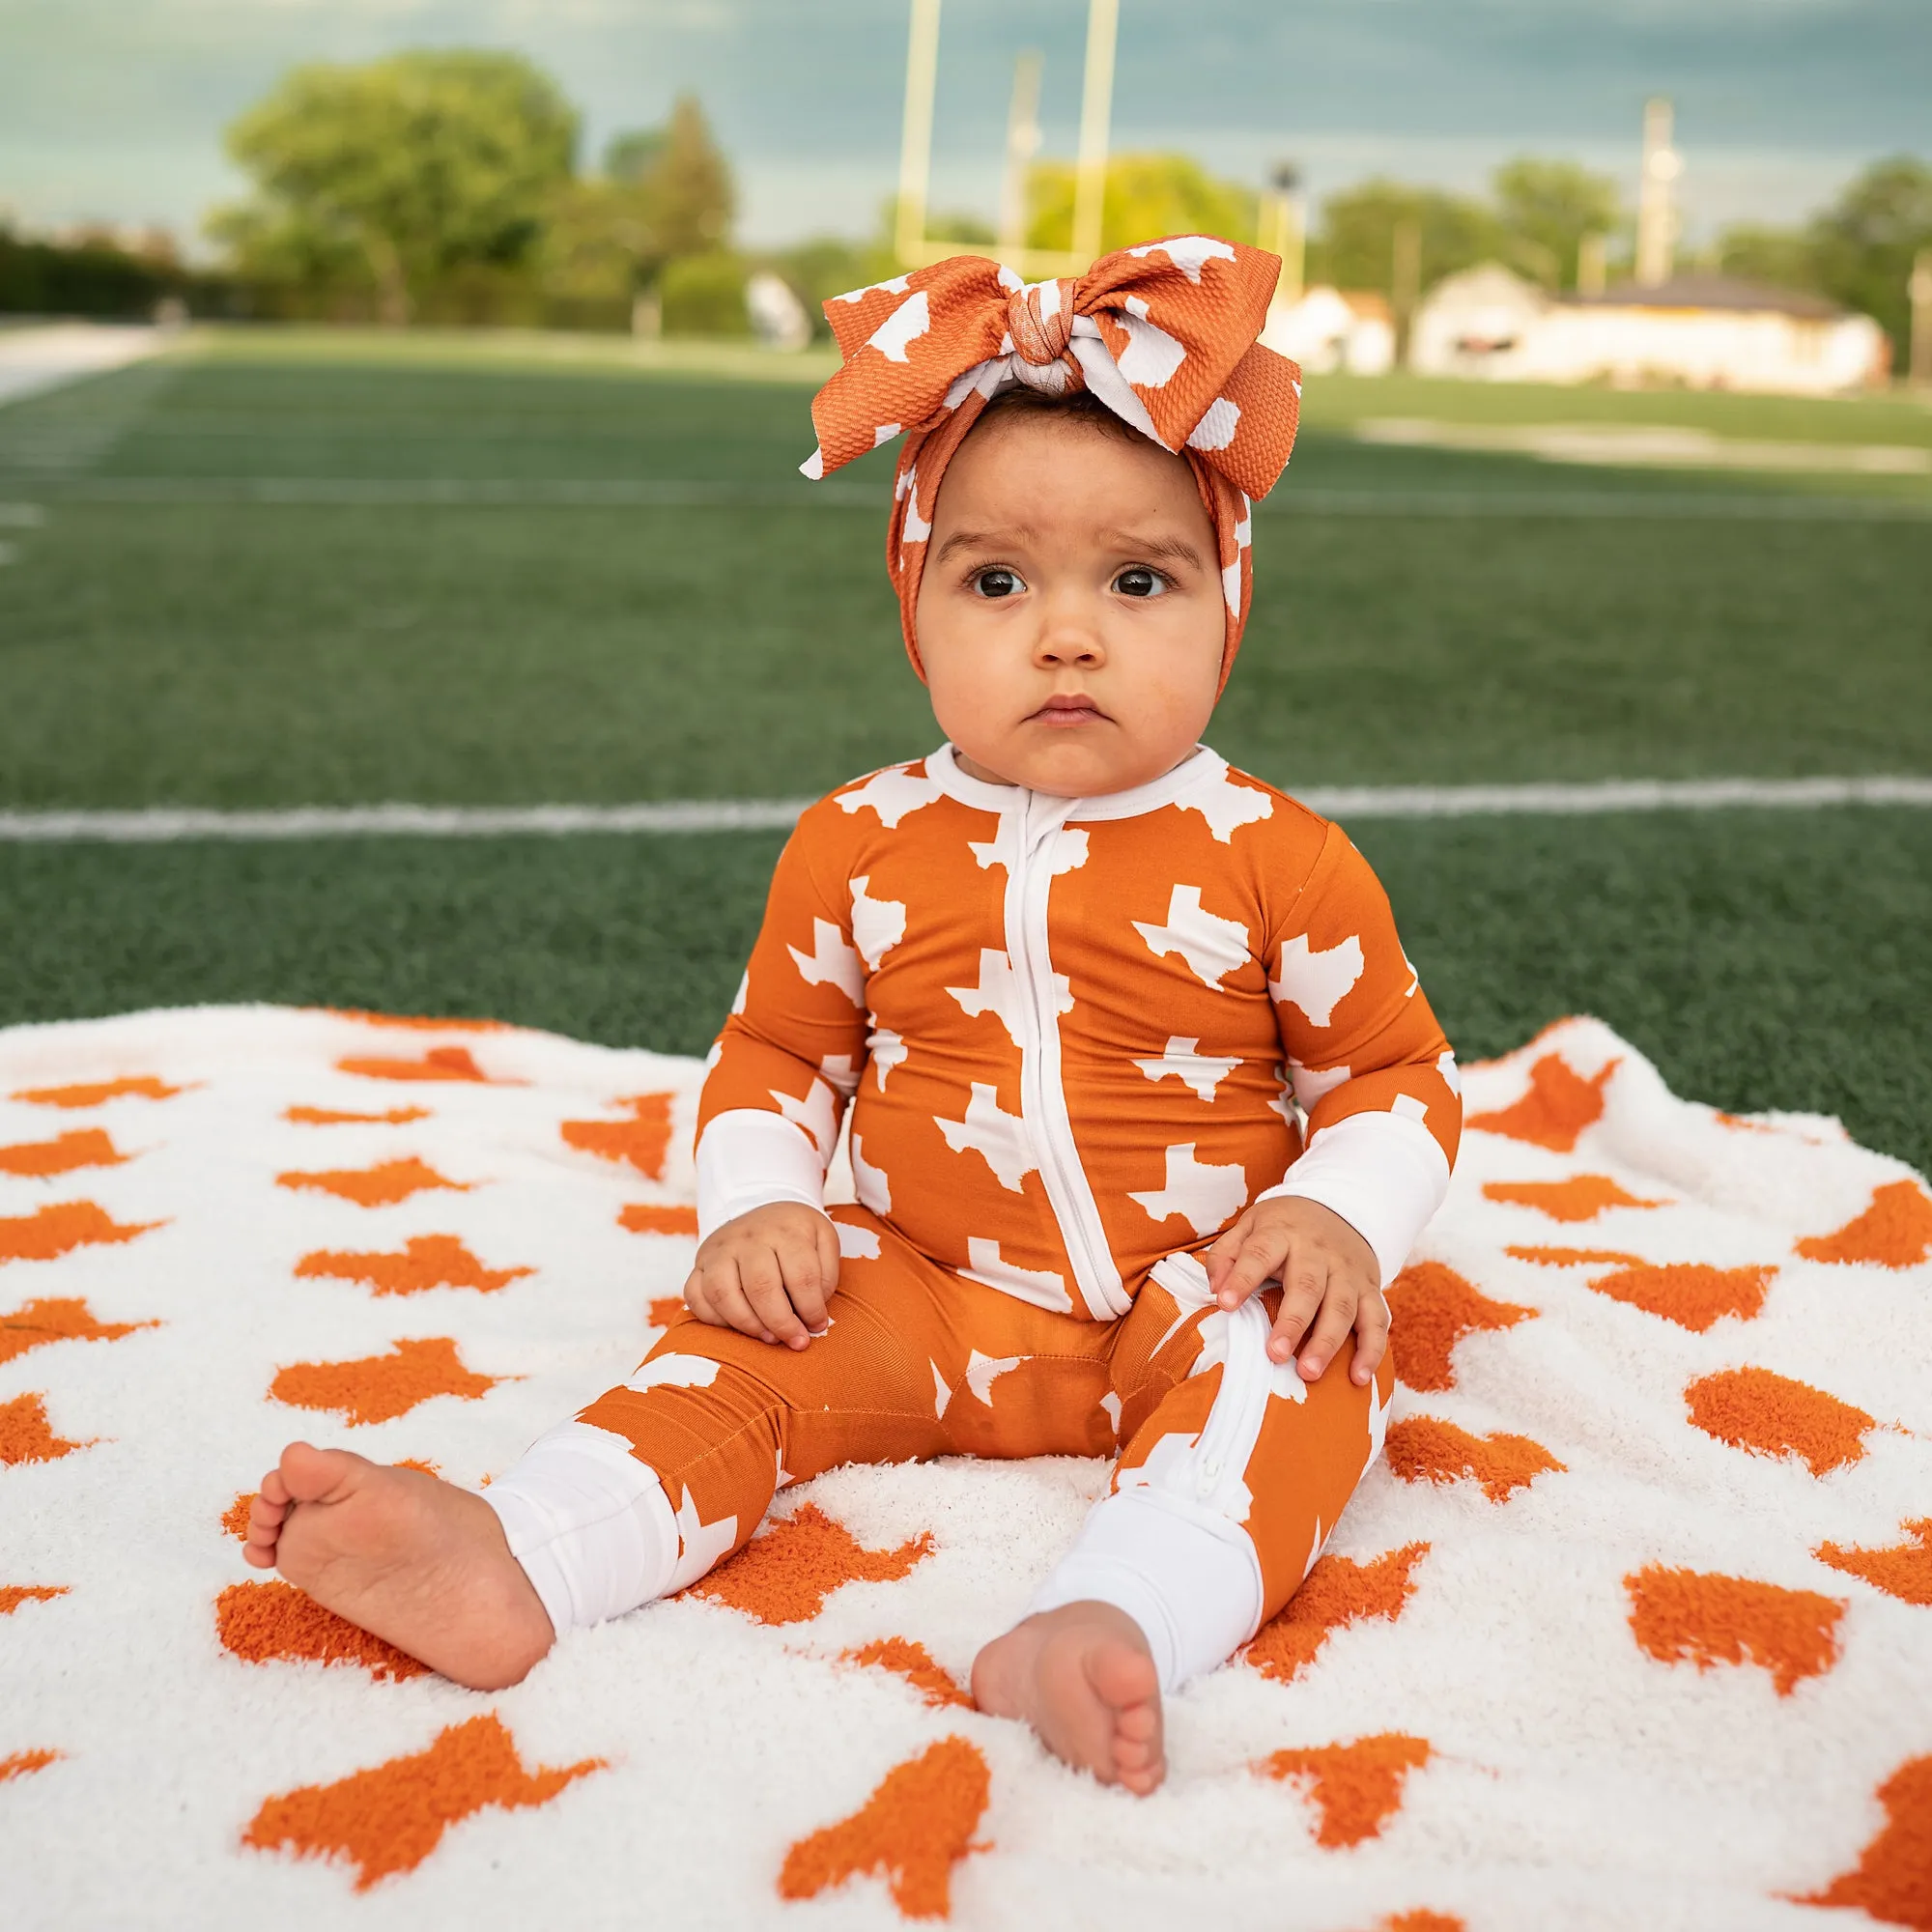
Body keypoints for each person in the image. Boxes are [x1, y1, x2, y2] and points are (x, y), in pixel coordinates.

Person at [244, 238, 1462, 1798]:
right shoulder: (861, 840)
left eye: (1139, 580)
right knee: (725, 1362)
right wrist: (759, 1204)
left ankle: (1112, 1619)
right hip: (922, 1294)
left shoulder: (1276, 854)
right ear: (915, 598)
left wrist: (1335, 1214)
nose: (1067, 633)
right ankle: (522, 1557)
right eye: (999, 579)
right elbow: (776, 1055)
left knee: (1300, 1378)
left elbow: (1392, 1075)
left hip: (1194, 1283)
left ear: (1229, 605)